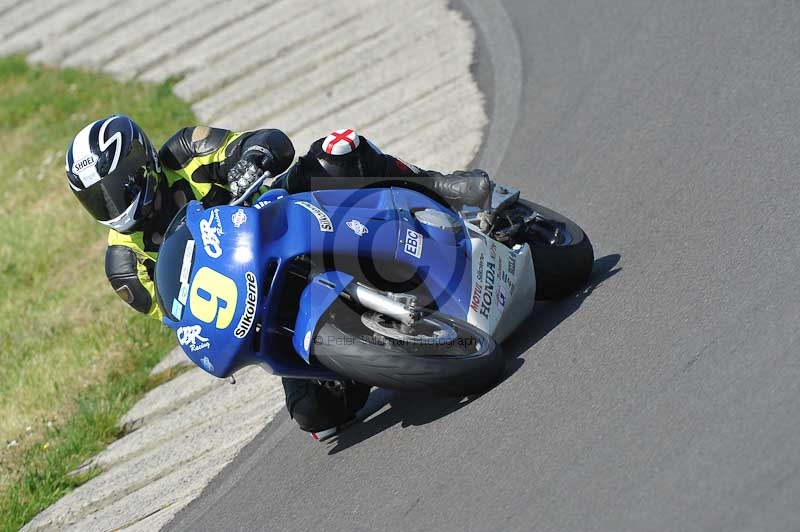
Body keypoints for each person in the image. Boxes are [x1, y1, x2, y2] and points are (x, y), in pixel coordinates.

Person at [66, 116, 491, 440]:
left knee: (335, 151)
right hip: (258, 299)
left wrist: (252, 158)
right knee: (316, 416)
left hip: (281, 218)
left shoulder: (185, 151)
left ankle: (439, 187)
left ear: (139, 165)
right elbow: (182, 316)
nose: (110, 206)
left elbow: (267, 141)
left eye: (113, 190)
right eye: (96, 200)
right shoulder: (124, 264)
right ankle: (372, 352)